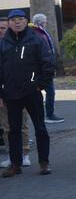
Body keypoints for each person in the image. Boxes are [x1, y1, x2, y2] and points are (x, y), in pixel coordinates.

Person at [0, 9, 55, 177]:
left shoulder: (36, 40)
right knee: (13, 130)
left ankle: (44, 163)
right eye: (13, 20)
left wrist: (39, 85)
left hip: (32, 92)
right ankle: (15, 164)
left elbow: (48, 64)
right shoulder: (3, 43)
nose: (17, 22)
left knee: (40, 128)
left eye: (20, 19)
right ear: (9, 23)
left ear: (26, 21)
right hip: (11, 94)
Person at [0, 17, 31, 167]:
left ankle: (24, 154)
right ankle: (11, 155)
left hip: (19, 92)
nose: (0, 31)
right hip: (4, 93)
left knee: (22, 124)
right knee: (6, 126)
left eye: (3, 28)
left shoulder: (18, 44)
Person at [31, 13, 64, 123]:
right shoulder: (40, 34)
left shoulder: (39, 33)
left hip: (44, 68)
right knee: (50, 92)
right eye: (45, 21)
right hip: (44, 69)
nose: (46, 23)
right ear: (41, 22)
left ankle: (44, 115)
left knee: (45, 92)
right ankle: (49, 115)